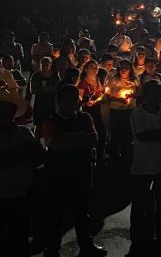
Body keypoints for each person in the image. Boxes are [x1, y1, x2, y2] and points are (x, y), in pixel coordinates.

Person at [41, 85, 106, 257]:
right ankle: (52, 249)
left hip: (82, 171)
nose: (74, 102)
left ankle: (86, 245)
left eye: (75, 98)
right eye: (69, 99)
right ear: (60, 101)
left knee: (82, 211)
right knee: (56, 212)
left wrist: (66, 139)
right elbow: (54, 144)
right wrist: (78, 138)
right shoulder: (50, 120)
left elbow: (93, 140)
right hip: (58, 173)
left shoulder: (85, 118)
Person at [128, 80, 161, 256]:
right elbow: (142, 136)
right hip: (142, 164)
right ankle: (138, 234)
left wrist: (154, 133)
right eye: (155, 92)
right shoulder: (137, 113)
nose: (158, 95)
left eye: (159, 92)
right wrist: (160, 133)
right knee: (140, 200)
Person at [0, 96, 44, 257]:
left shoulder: (23, 131)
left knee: (21, 233)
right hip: (4, 192)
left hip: (23, 189)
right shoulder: (23, 134)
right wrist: (23, 155)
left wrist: (12, 157)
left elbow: (39, 156)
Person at [103, 58, 140, 165]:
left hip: (129, 111)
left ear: (130, 69)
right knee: (115, 134)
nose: (123, 70)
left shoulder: (134, 79)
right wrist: (118, 99)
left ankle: (127, 158)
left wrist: (131, 95)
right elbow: (107, 94)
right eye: (121, 67)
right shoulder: (113, 79)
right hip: (116, 111)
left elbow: (140, 93)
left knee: (128, 135)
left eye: (126, 68)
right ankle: (114, 158)